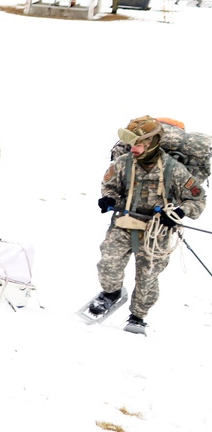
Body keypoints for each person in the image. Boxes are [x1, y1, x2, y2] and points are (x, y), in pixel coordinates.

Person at [88, 115, 206, 334]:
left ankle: (138, 316)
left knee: (148, 277)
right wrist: (109, 198)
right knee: (107, 265)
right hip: (123, 223)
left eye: (140, 143)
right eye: (133, 143)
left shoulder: (175, 170)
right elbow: (110, 185)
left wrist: (179, 212)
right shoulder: (123, 163)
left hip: (157, 231)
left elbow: (197, 199)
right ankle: (111, 294)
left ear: (152, 143)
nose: (135, 147)